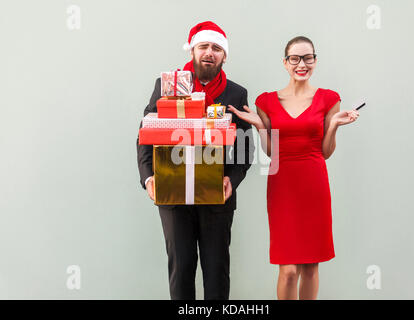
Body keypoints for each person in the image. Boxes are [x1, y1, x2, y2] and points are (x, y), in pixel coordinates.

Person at [228, 36, 359, 300]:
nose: (302, 64)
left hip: (314, 184)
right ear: (285, 63)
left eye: (308, 58)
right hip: (282, 186)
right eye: (295, 59)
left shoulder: (329, 99)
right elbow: (270, 154)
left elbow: (325, 152)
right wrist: (259, 126)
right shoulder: (265, 102)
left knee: (310, 266)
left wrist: (332, 126)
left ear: (315, 61)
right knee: (288, 270)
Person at [136, 21, 254, 300]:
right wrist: (148, 177)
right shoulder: (167, 86)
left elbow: (245, 146)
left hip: (217, 194)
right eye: (203, 46)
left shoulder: (236, 93)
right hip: (173, 193)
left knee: (216, 269)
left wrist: (232, 180)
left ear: (224, 55)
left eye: (216, 48)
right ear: (192, 50)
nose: (209, 53)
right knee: (182, 267)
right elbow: (144, 135)